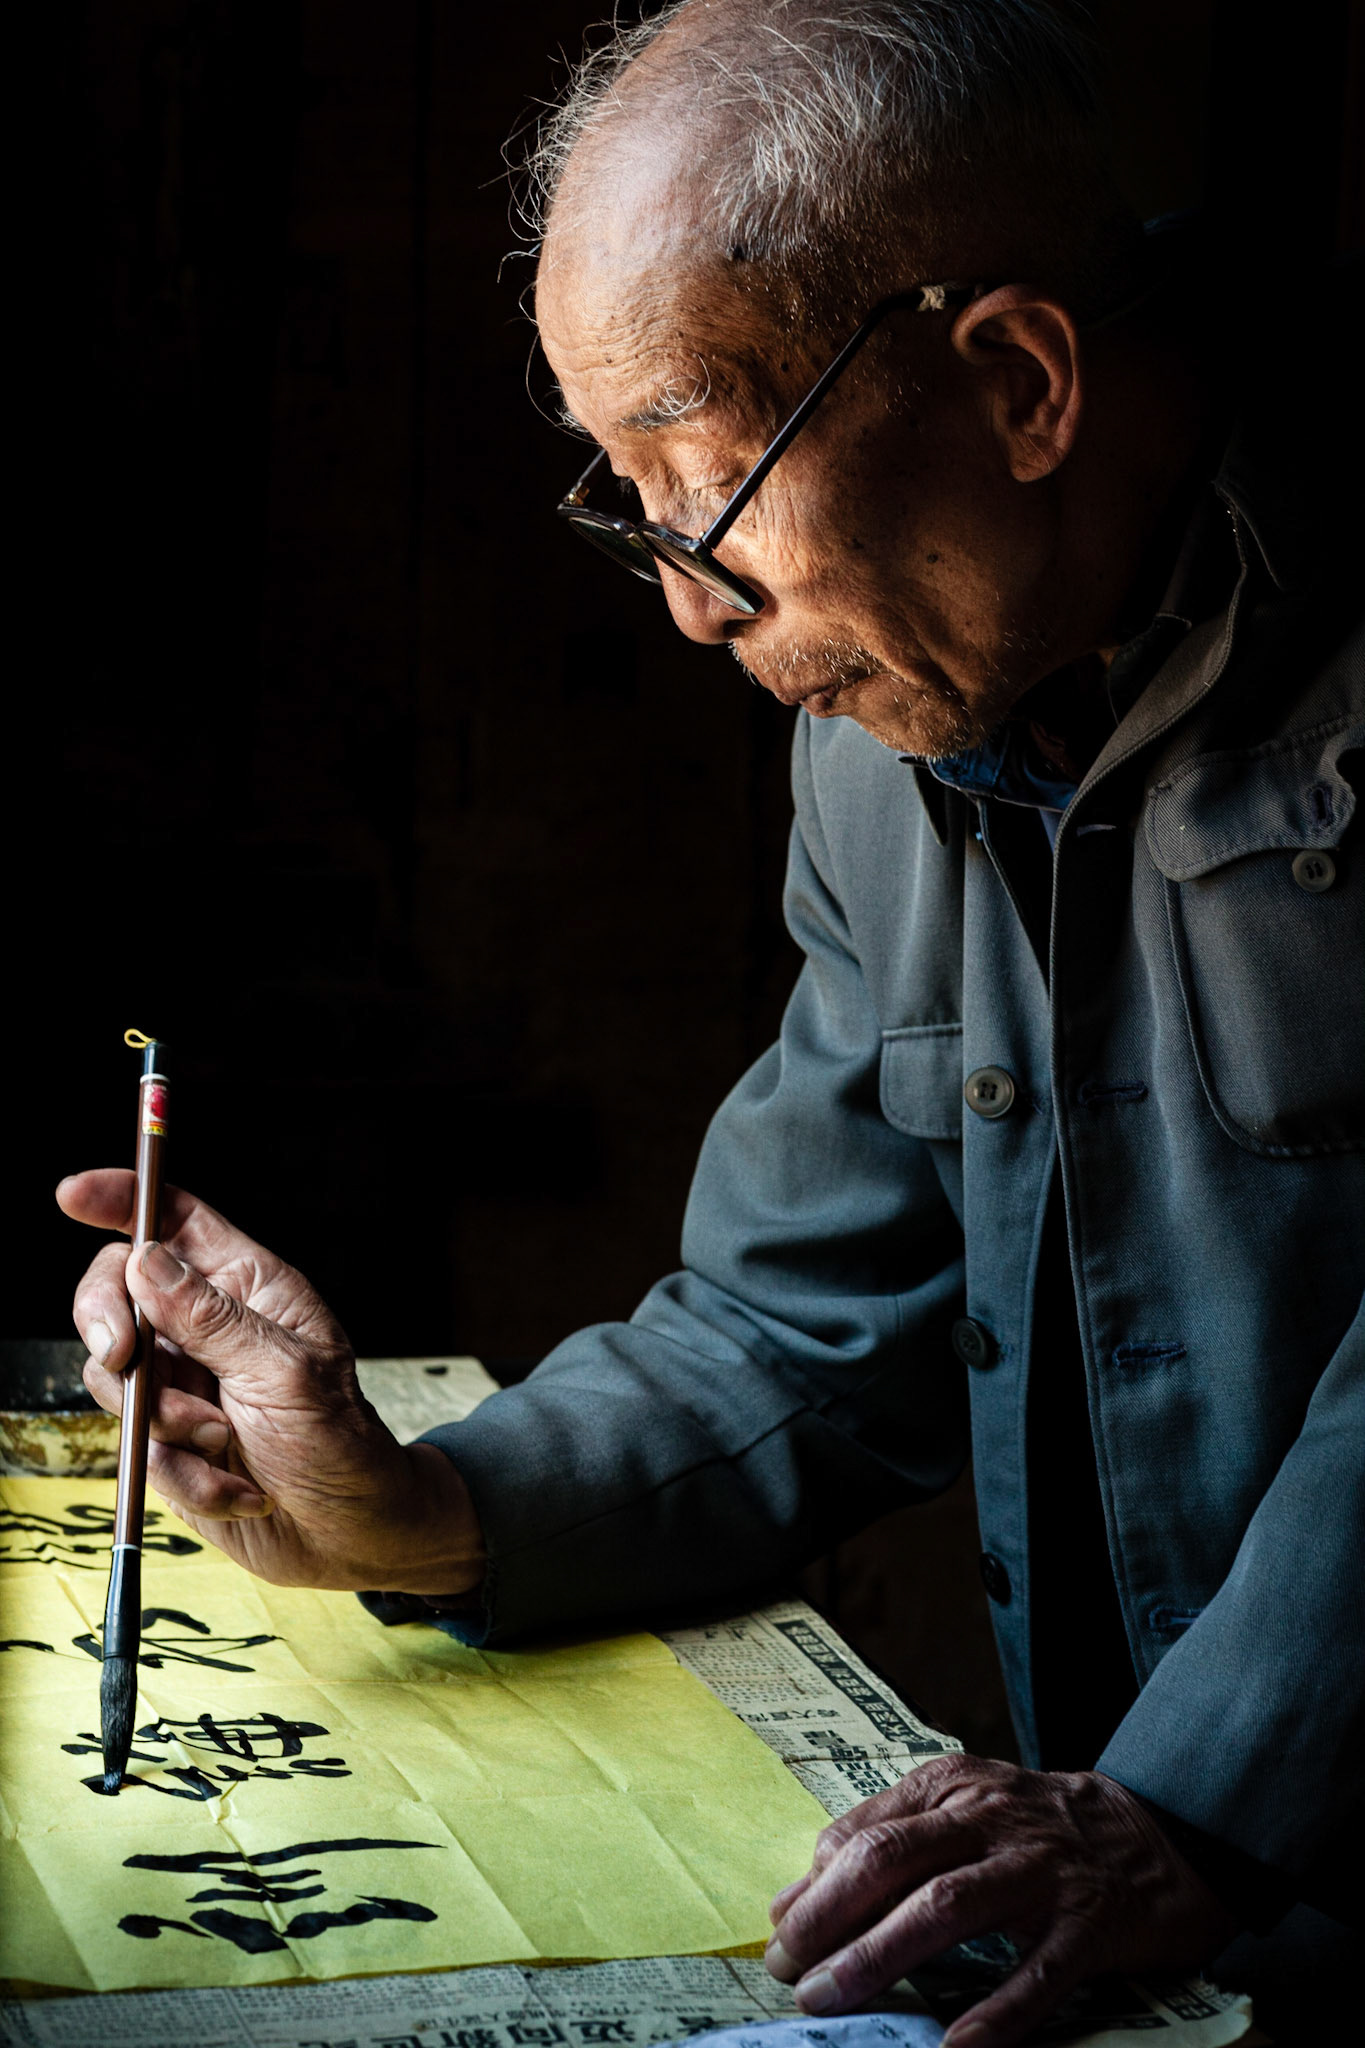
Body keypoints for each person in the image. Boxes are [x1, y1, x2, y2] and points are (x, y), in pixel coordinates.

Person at [60, 3, 1362, 2041]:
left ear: (1016, 381)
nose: (686, 601)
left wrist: (1194, 1801)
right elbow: (792, 1322)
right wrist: (424, 1504)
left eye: (704, 473)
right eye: (627, 497)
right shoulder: (890, 709)